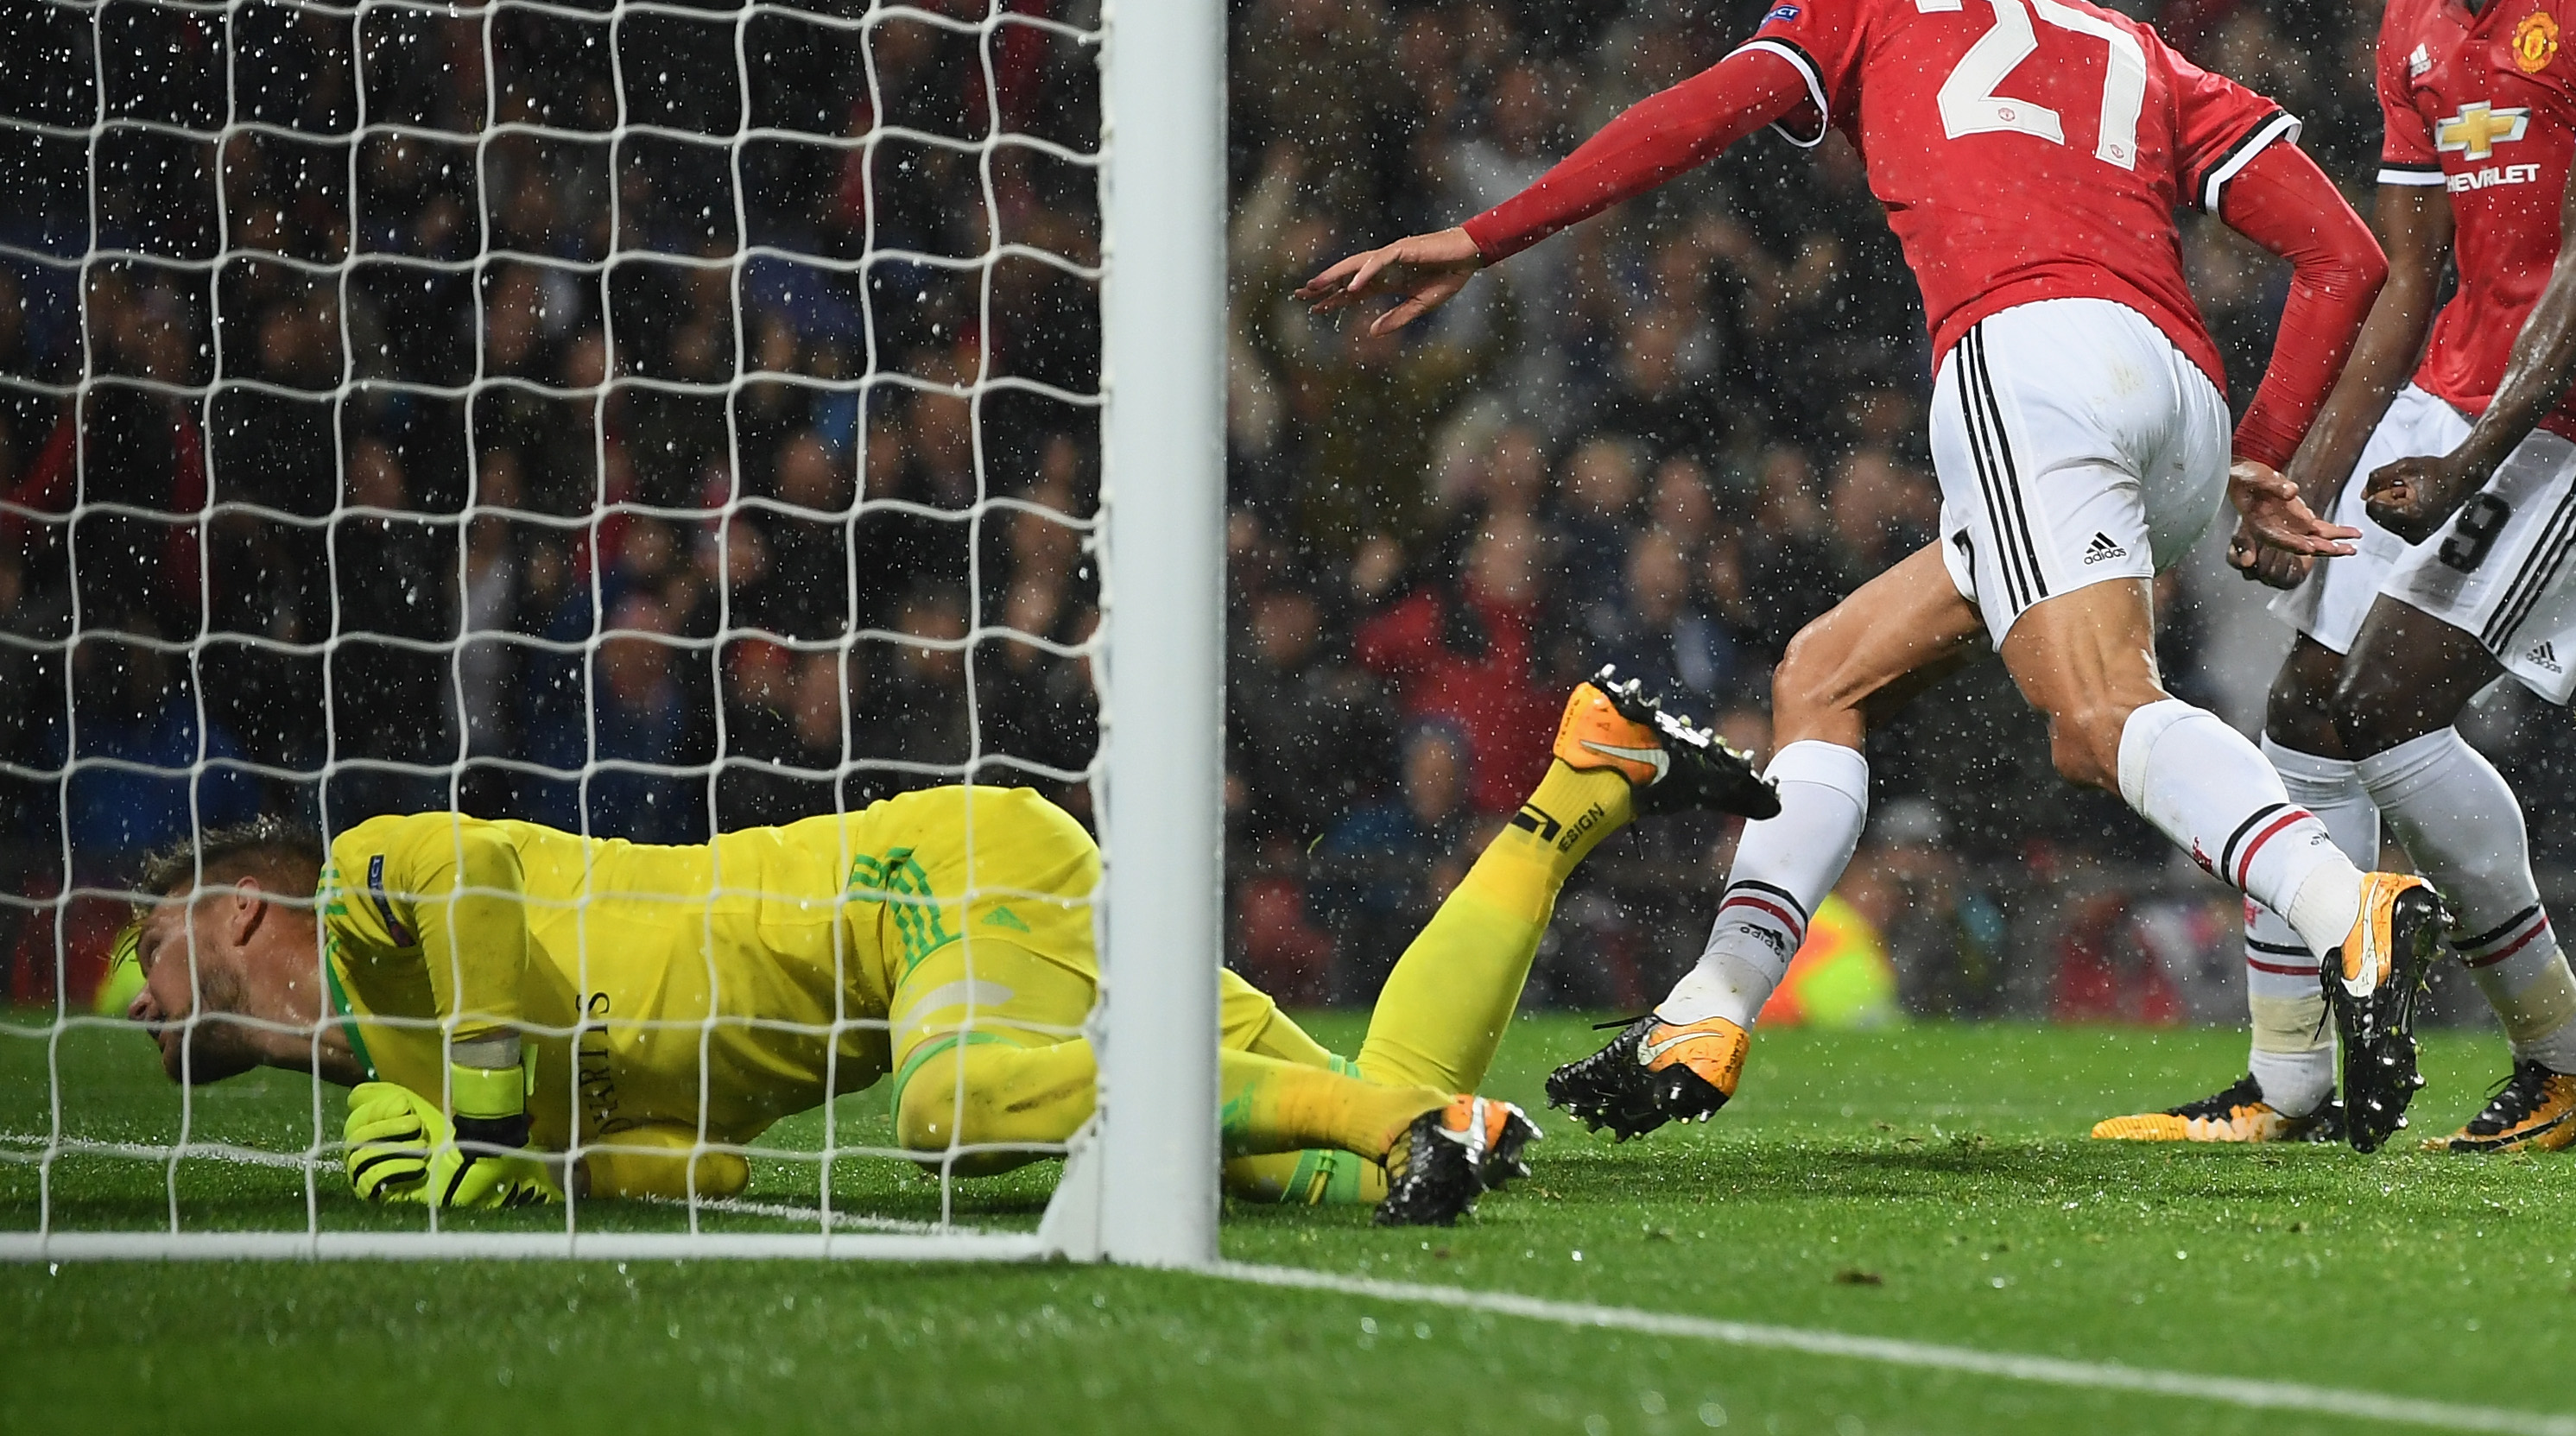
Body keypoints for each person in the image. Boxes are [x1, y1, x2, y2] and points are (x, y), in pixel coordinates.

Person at [1306, 0, 2445, 1152]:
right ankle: (1712, 1004)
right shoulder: (2131, 45)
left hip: (2028, 365)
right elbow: (2342, 255)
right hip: (2178, 395)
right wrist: (2264, 456)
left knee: (2092, 717)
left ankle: (2352, 909)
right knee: (1825, 671)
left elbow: (1695, 116)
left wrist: (1485, 236)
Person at [118, 673, 1771, 1227]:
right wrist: (541, 1170)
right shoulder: (402, 1065)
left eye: (148, 939)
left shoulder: (365, 884)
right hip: (976, 930)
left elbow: (474, 890)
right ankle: (1583, 775)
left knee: (950, 1109)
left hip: (925, 882)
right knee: (1352, 1130)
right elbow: (710, 1166)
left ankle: (1388, 1123)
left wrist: (476, 1105)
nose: (127, 985)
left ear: (236, 909)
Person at [2096, 0, 2576, 1153]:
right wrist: (2297, 477)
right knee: (2303, 718)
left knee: (2383, 710)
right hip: (2461, 384)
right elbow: (2403, 280)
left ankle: (2566, 1057)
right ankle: (2292, 1083)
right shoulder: (2415, 17)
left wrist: (2469, 457)